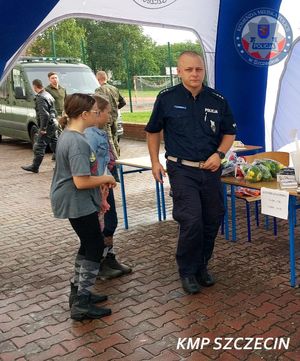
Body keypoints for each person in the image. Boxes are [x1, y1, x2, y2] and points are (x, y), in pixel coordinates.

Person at [145, 51, 237, 294]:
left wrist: (219, 155)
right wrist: (155, 162)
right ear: (179, 71)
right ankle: (186, 271)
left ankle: (201, 266)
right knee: (192, 219)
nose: (195, 74)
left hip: (210, 170)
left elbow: (229, 132)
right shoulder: (166, 98)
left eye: (199, 69)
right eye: (189, 70)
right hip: (181, 169)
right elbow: (153, 131)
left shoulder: (217, 99)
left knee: (213, 217)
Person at [50, 93, 117, 321]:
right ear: (85, 114)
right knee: (95, 245)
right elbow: (81, 181)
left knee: (88, 244)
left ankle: (79, 293)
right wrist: (106, 179)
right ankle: (81, 303)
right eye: (95, 112)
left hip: (73, 200)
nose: (98, 115)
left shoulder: (68, 135)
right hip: (75, 201)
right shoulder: (77, 142)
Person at [84, 95, 132, 280]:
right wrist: (102, 184)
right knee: (104, 224)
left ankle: (109, 257)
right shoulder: (90, 136)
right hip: (98, 186)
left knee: (109, 223)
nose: (110, 116)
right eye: (107, 112)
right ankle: (100, 263)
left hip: (104, 183)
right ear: (97, 113)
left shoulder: (100, 132)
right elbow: (92, 164)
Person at [21, 79, 57, 173]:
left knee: (39, 146)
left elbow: (44, 114)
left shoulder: (41, 97)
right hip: (53, 124)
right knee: (56, 145)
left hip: (47, 125)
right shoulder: (48, 94)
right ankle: (63, 165)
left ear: (35, 86)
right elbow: (53, 110)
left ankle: (35, 167)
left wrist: (43, 128)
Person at [95, 70, 126, 158]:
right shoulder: (114, 88)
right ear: (106, 78)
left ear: (97, 79)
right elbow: (123, 102)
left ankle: (114, 159)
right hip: (115, 117)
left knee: (109, 140)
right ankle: (118, 156)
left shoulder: (99, 90)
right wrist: (115, 109)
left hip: (106, 119)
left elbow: (97, 104)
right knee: (115, 138)